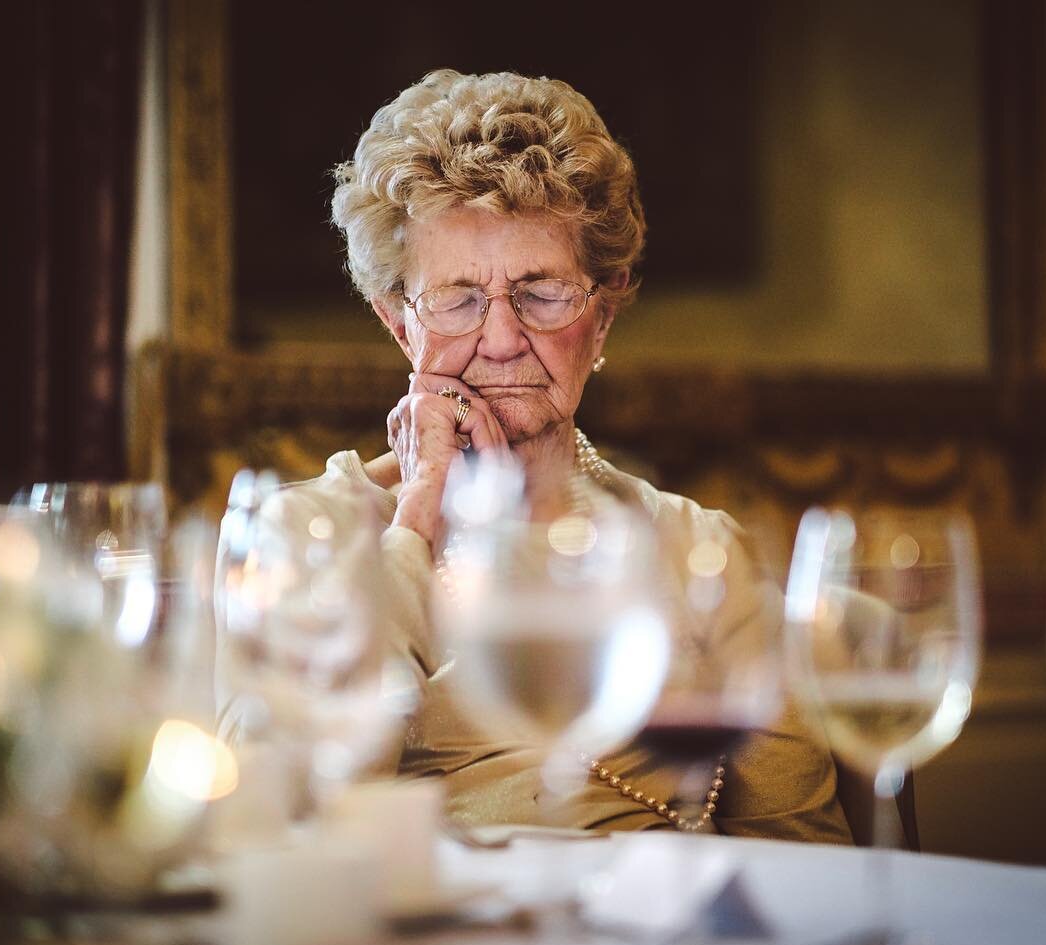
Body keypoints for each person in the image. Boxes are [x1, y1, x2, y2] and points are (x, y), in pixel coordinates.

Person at [241, 69, 851, 842]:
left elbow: (801, 855)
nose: (499, 339)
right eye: (457, 298)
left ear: (601, 317)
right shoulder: (306, 534)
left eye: (541, 293)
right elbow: (278, 822)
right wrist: (418, 516)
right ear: (401, 325)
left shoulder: (698, 548)